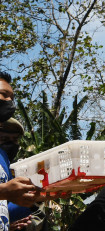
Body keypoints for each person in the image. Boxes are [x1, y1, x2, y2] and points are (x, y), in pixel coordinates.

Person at [0, 72, 41, 228]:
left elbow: (5, 206)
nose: (10, 101)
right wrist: (3, 191)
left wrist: (36, 197)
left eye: (12, 97)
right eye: (4, 95)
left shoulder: (2, 156)